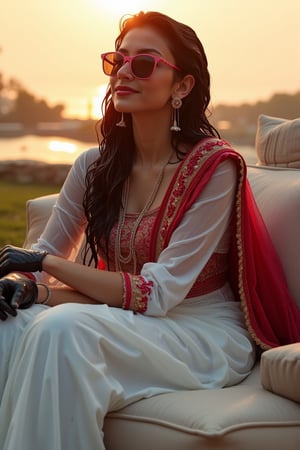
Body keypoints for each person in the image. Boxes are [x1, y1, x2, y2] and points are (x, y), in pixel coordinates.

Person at [0, 10, 299, 450]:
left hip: (202, 333)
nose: (124, 72)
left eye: (144, 63)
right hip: (128, 322)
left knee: (60, 331)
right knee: (7, 322)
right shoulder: (93, 166)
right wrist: (23, 284)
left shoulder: (214, 170)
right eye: (117, 60)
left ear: (182, 86)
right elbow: (44, 261)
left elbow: (157, 294)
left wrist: (40, 267)